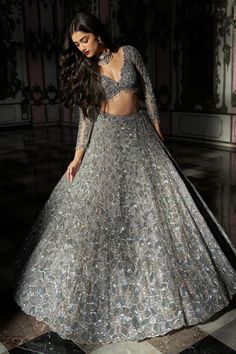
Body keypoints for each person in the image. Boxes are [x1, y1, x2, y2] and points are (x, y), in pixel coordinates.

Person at [14, 11, 236, 346]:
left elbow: (147, 90)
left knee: (157, 212)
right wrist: (77, 157)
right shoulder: (87, 69)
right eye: (76, 44)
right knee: (102, 215)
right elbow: (86, 118)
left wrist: (158, 131)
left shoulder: (129, 53)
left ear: (98, 34)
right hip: (105, 140)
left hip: (141, 134)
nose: (81, 48)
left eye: (84, 40)